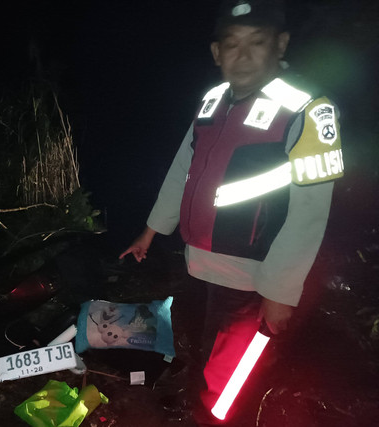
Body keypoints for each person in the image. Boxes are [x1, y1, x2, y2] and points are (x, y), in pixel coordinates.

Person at [120, 0, 344, 424]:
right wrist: (151, 230)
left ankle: (216, 416)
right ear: (216, 52)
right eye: (232, 44)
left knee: (230, 383)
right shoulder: (213, 100)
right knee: (209, 346)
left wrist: (280, 291)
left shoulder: (309, 110)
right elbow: (182, 168)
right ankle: (200, 399)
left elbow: (311, 212)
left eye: (256, 42)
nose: (242, 55)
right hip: (202, 262)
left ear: (280, 45)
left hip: (253, 275)